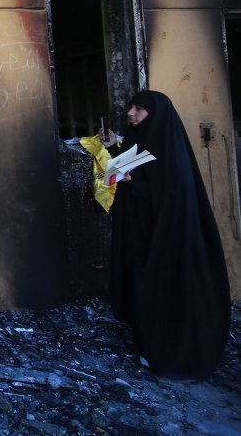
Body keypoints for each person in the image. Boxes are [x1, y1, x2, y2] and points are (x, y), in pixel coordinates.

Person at [98, 89, 230, 380]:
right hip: (141, 235)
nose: (131, 113)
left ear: (154, 114)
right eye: (131, 107)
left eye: (138, 109)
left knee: (160, 289)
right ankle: (147, 343)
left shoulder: (169, 149)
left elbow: (164, 193)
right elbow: (126, 166)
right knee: (141, 286)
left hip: (164, 238)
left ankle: (168, 351)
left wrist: (132, 182)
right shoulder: (139, 138)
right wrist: (112, 148)